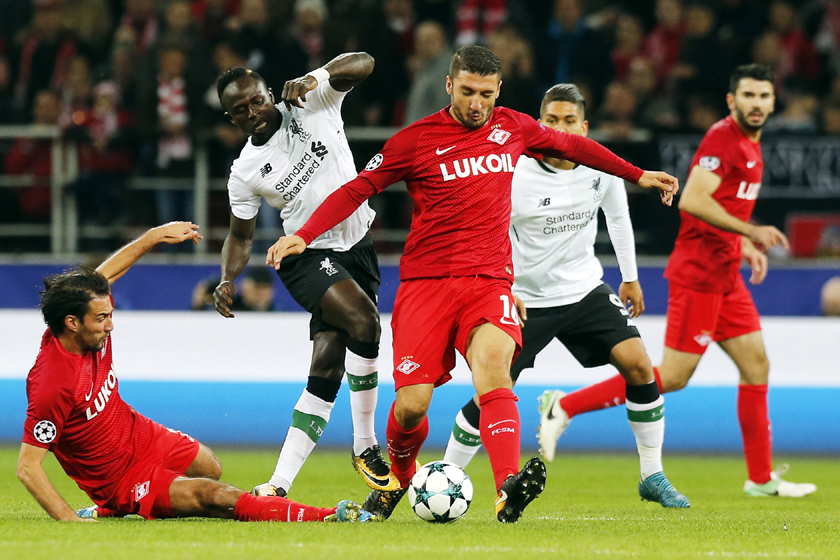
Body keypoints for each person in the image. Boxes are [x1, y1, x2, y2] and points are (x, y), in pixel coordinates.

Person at [266, 46, 679, 523]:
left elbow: (573, 147)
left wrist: (637, 174)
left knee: (494, 375)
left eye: (485, 93)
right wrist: (302, 235)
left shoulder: (514, 127)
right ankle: (398, 478)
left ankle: (507, 487)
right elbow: (358, 188)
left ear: (498, 90)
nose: (476, 103)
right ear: (449, 86)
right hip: (426, 286)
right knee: (410, 407)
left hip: (489, 282)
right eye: (467, 92)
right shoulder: (414, 141)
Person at [538, 64, 817, 498]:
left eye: (764, 96)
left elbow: (723, 206)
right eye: (748, 96)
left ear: (773, 102)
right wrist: (751, 232)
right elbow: (693, 199)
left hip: (726, 272)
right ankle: (565, 405)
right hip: (700, 275)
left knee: (756, 364)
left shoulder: (751, 144)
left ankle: (760, 480)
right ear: (732, 101)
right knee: (673, 374)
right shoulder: (723, 139)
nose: (757, 104)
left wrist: (740, 244)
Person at [17, 222, 375, 523]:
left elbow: (103, 277)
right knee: (215, 495)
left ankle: (114, 509)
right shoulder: (52, 384)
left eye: (110, 314)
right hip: (122, 477)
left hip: (141, 434)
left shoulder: (86, 316)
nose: (110, 325)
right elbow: (28, 468)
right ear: (71, 323)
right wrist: (68, 520)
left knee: (210, 467)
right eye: (102, 318)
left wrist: (154, 236)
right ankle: (327, 515)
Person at [441, 83, 689, 508]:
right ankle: (447, 474)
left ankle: (652, 475)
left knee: (639, 366)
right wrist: (505, 285)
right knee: (491, 390)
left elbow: (618, 217)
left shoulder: (599, 167)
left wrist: (629, 277)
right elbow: (490, 231)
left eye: (569, 121)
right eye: (551, 120)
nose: (560, 128)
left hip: (584, 290)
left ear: (584, 127)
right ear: (540, 125)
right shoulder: (515, 171)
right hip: (526, 297)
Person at [214, 52, 393, 498]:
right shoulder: (244, 171)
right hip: (306, 256)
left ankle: (277, 484)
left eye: (256, 101)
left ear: (268, 94)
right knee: (366, 322)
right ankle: (365, 444)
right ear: (231, 118)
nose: (252, 113)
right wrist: (227, 277)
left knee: (327, 367)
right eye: (240, 110)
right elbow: (240, 236)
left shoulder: (312, 102)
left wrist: (316, 75)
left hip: (360, 249)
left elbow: (366, 62)